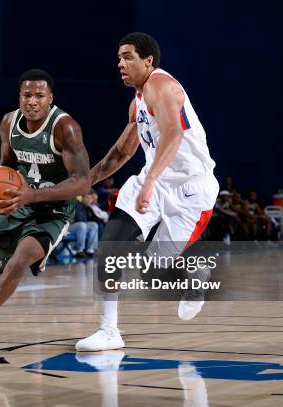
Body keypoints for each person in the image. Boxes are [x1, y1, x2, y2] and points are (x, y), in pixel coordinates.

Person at [75, 33, 219, 352]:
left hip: (190, 190)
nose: (120, 64)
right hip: (154, 180)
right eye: (118, 58)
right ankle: (109, 330)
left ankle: (194, 277)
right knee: (110, 243)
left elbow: (173, 134)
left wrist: (152, 178)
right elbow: (121, 153)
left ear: (148, 61)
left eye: (128, 57)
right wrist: (84, 181)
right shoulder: (137, 100)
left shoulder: (162, 86)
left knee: (153, 270)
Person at [0, 69, 91, 357]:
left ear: (50, 98)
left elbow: (82, 182)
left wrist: (33, 194)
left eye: (39, 95)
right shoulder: (8, 123)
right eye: (27, 95)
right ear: (20, 97)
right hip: (17, 201)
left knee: (20, 262)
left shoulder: (65, 128)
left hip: (52, 212)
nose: (32, 101)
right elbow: (7, 167)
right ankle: (0, 266)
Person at [69, 192, 100, 257]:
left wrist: (91, 209)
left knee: (94, 225)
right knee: (82, 225)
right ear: (82, 198)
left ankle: (90, 249)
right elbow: (79, 218)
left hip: (81, 227)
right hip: (70, 227)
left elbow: (95, 219)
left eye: (90, 198)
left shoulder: (88, 207)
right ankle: (79, 250)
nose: (88, 200)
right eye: (87, 198)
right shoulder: (77, 204)